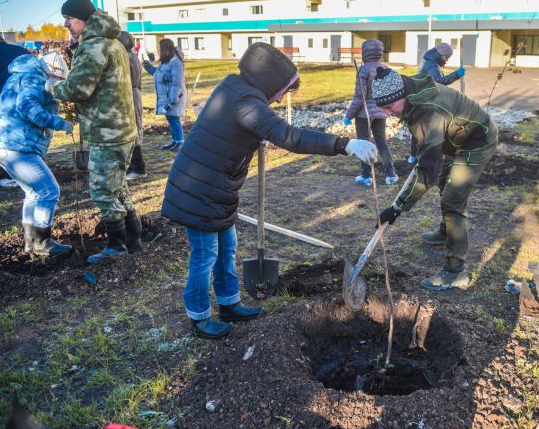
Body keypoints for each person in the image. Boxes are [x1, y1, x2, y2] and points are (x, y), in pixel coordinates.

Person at [161, 42, 377, 339]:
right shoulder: (247, 101)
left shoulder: (236, 88)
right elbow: (288, 136)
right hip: (198, 190)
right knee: (205, 254)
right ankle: (198, 317)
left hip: (217, 188)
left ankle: (228, 303)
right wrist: (344, 144)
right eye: (282, 91)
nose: (279, 99)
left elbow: (232, 129)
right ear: (270, 82)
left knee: (227, 246)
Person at [371, 66, 497, 291]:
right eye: (384, 109)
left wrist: (397, 207)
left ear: (400, 95)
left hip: (476, 140)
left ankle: (455, 271)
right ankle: (445, 231)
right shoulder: (411, 93)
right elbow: (424, 141)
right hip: (456, 137)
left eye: (389, 107)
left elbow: (427, 170)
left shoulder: (428, 110)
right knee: (444, 181)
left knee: (453, 199)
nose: (388, 113)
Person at [47, 0, 142, 264]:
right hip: (122, 129)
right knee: (119, 188)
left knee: (102, 191)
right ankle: (133, 239)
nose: (66, 24)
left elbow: (78, 88)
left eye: (69, 18)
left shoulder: (93, 46)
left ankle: (117, 246)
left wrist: (53, 88)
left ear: (84, 20)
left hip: (106, 132)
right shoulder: (112, 44)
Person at [0, 54, 74, 256]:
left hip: (8, 142)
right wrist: (60, 123)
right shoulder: (35, 77)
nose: (56, 86)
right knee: (50, 190)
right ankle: (43, 243)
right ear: (52, 73)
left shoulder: (22, 75)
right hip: (18, 144)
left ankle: (30, 243)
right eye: (58, 81)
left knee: (33, 193)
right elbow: (26, 106)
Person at [343, 39, 398, 186]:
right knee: (382, 144)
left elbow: (360, 97)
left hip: (363, 115)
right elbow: (390, 94)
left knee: (364, 144)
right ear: (380, 52)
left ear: (364, 52)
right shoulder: (386, 68)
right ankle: (391, 175)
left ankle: (366, 176)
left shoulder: (363, 69)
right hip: (380, 113)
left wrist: (349, 115)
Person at [408, 42, 466, 164]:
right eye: (447, 57)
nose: (447, 60)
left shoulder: (430, 61)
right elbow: (439, 82)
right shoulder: (432, 65)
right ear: (440, 55)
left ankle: (414, 156)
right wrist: (456, 74)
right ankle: (420, 156)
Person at [142, 38, 187, 152]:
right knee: (170, 118)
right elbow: (159, 74)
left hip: (175, 96)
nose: (158, 50)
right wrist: (148, 66)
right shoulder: (166, 62)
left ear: (165, 49)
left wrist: (173, 99)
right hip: (167, 96)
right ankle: (175, 140)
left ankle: (180, 142)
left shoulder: (176, 62)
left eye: (160, 48)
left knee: (174, 118)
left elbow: (177, 82)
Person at [118, 31, 146, 179]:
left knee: (132, 129)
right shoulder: (132, 57)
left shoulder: (126, 59)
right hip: (134, 94)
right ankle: (135, 165)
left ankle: (138, 167)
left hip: (130, 95)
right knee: (133, 128)